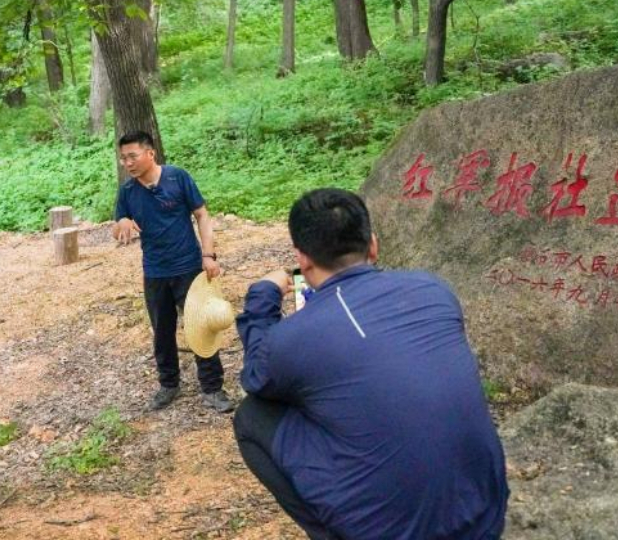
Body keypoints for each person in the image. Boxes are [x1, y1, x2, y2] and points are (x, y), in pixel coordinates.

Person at [233, 188, 509, 540]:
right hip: (486, 518)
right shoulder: (434, 290)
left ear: (302, 260)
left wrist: (264, 293)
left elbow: (256, 375)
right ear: (373, 245)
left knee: (253, 415)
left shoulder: (292, 338)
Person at [112, 130, 234, 413]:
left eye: (132, 156)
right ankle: (169, 384)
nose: (127, 163)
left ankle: (213, 388)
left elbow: (202, 215)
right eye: (123, 159)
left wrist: (209, 255)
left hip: (188, 267)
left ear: (150, 153)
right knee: (162, 330)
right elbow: (118, 224)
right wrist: (123, 224)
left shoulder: (178, 177)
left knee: (201, 324)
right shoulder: (128, 191)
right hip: (154, 271)